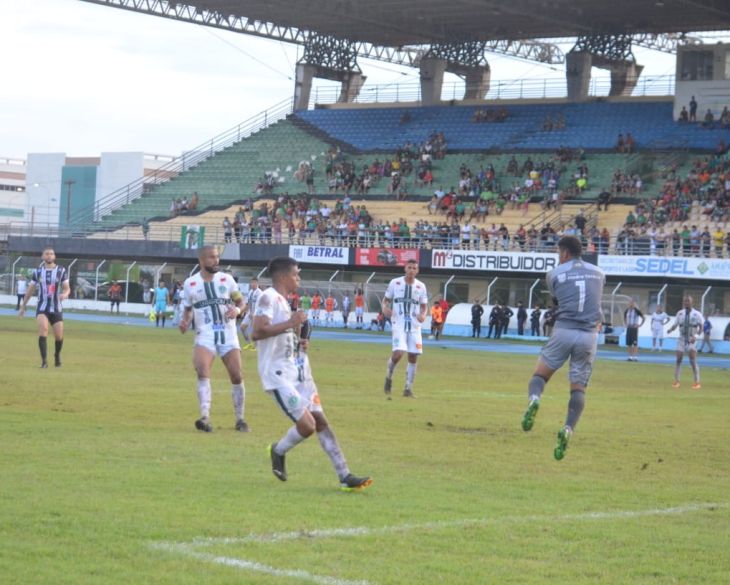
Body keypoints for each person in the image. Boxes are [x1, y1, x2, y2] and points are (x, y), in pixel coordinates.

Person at [252, 256, 372, 491]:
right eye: (296, 274)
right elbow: (257, 332)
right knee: (307, 426)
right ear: (284, 276)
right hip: (277, 374)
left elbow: (282, 336)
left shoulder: (285, 302)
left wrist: (300, 341)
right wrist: (291, 323)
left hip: (297, 370)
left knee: (321, 421)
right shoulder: (268, 297)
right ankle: (278, 451)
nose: (299, 278)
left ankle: (345, 475)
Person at [520, 235, 605, 461]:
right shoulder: (599, 273)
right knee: (578, 389)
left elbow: (560, 300)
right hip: (589, 335)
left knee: (540, 375)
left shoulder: (554, 274)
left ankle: (535, 399)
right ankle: (568, 429)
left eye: (559, 253)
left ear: (564, 253)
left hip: (564, 329)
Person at [179, 245, 249, 433]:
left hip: (228, 333)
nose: (216, 261)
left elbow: (241, 302)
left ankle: (240, 419)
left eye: (217, 257)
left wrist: (238, 310)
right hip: (205, 333)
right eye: (211, 257)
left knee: (236, 375)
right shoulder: (190, 283)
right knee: (202, 370)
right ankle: (205, 417)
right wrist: (185, 321)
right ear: (201, 260)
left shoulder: (227, 280)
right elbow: (187, 308)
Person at [382, 259, 428, 398]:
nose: (412, 270)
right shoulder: (395, 283)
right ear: (405, 269)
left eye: (414, 268)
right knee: (398, 354)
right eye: (409, 267)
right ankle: (389, 376)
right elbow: (385, 300)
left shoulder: (421, 286)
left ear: (417, 270)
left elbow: (424, 306)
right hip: (399, 323)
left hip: (414, 325)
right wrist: (385, 309)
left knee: (413, 356)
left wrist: (423, 316)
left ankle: (408, 389)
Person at [18, 247, 70, 368]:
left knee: (59, 336)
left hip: (56, 308)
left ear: (54, 256)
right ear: (43, 257)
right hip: (42, 307)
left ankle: (57, 355)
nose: (49, 256)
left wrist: (65, 294)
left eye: (51, 254)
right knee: (44, 330)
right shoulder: (37, 272)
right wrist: (23, 306)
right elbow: (30, 290)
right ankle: (44, 362)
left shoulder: (61, 270)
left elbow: (67, 287)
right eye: (46, 254)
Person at [667, 296, 704, 389]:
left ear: (692, 302)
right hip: (681, 339)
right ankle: (677, 381)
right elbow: (675, 325)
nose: (686, 303)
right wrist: (670, 330)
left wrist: (696, 336)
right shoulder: (680, 313)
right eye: (685, 301)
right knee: (678, 359)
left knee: (692, 360)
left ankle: (697, 382)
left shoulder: (697, 314)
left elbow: (701, 327)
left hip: (692, 339)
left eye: (688, 301)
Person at [240, 277, 262, 351]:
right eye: (251, 283)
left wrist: (254, 313)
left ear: (257, 284)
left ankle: (256, 346)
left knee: (255, 330)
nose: (252, 284)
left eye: (254, 283)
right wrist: (243, 311)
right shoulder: (250, 292)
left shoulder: (260, 293)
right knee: (242, 327)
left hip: (256, 314)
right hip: (250, 312)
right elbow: (248, 303)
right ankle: (249, 344)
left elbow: (260, 305)